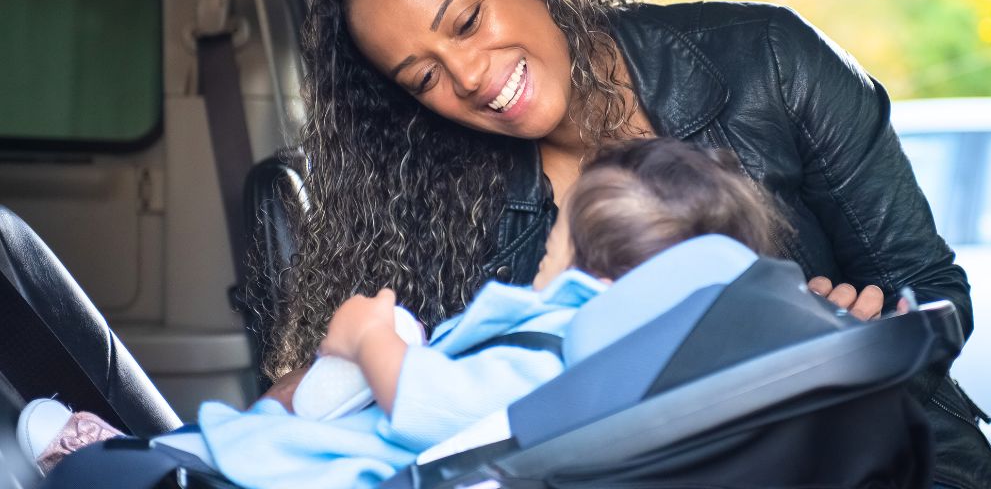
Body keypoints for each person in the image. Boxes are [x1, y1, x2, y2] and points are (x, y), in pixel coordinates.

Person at [264, 0, 991, 488]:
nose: (467, 76)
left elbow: (929, 285)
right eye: (424, 77)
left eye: (466, 20)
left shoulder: (771, 62)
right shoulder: (441, 196)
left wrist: (860, 329)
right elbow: (403, 373)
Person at [22, 138, 783, 488]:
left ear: (595, 269)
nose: (546, 249)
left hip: (362, 472)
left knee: (103, 474)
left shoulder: (563, 351)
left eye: (558, 235)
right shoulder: (642, 356)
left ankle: (111, 459)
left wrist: (368, 338)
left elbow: (429, 407)